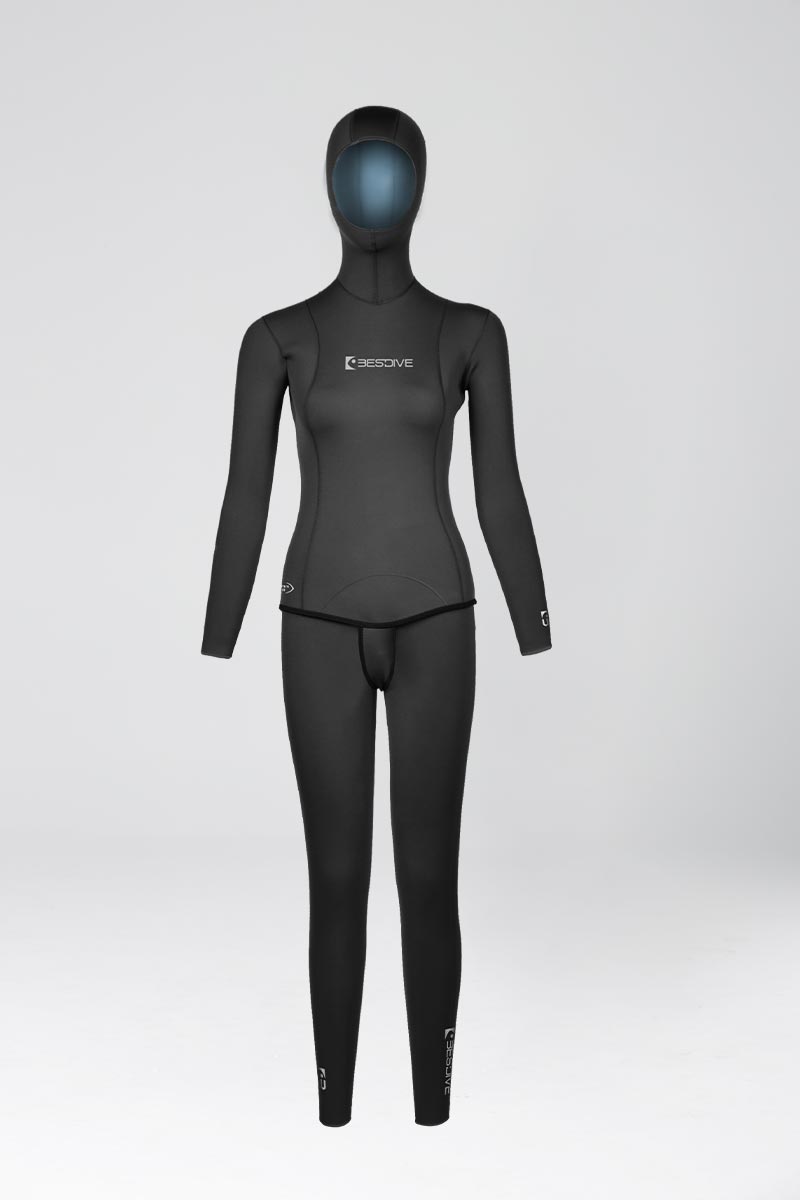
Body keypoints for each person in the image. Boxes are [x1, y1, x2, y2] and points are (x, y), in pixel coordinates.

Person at [201, 105, 552, 1126]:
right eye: (358, 175)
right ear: (328, 186)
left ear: (419, 187)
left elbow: (498, 488)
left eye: (389, 175)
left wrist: (532, 616)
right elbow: (245, 495)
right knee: (337, 876)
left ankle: (433, 1106)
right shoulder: (278, 338)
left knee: (427, 875)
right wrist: (220, 622)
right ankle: (335, 1107)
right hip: (317, 624)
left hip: (438, 618)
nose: (373, 193)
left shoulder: (468, 332)